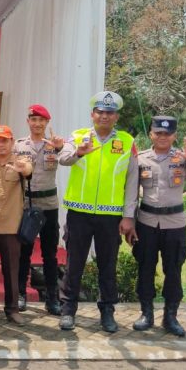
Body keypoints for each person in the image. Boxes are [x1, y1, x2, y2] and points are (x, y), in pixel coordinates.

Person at [58, 90, 139, 333]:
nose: (105, 116)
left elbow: (132, 181)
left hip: (111, 215)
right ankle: (68, 310)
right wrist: (78, 152)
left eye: (110, 113)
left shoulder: (127, 142)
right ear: (93, 114)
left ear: (116, 117)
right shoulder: (78, 136)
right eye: (100, 112)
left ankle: (107, 312)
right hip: (79, 213)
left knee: (108, 265)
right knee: (74, 264)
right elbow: (63, 159)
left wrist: (128, 215)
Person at [131, 116, 186, 336]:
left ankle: (170, 316)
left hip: (175, 223)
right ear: (151, 134)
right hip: (147, 222)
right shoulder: (140, 158)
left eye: (167, 133)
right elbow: (131, 193)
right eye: (158, 133)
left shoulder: (182, 157)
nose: (162, 137)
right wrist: (129, 220)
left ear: (174, 136)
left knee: (173, 269)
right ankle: (146, 313)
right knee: (145, 267)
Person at [13, 104, 69, 315]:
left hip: (48, 205)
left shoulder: (55, 145)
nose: (37, 124)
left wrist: (60, 148)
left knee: (49, 253)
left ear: (47, 123)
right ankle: (20, 294)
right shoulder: (18, 146)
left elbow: (69, 160)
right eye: (34, 120)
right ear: (28, 121)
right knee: (24, 252)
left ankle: (52, 298)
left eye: (41, 120)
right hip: (25, 204)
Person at [0, 125, 32, 324]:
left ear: (12, 142)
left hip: (11, 226)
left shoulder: (20, 161)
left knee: (11, 270)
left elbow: (28, 170)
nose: (0, 144)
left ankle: (12, 309)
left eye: (5, 140)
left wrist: (23, 169)